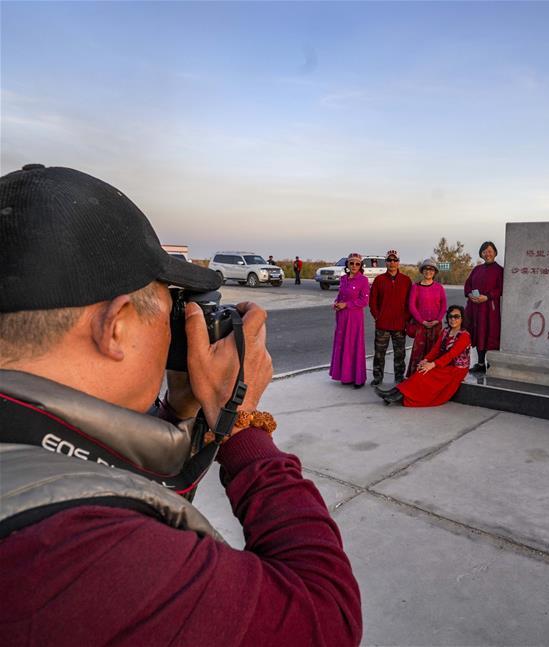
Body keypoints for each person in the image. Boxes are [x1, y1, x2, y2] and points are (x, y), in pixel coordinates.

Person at [0, 165, 362, 645]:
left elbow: (104, 483)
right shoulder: (83, 555)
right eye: (169, 308)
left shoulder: (32, 453)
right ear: (117, 325)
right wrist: (243, 421)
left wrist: (181, 411)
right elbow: (325, 616)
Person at [378, 305, 471, 407]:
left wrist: (432, 364)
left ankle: (396, 395)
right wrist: (425, 360)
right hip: (444, 363)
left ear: (462, 318)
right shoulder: (445, 331)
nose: (453, 319)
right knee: (421, 370)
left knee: (425, 373)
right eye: (450, 316)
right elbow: (436, 349)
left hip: (456, 368)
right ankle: (393, 393)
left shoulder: (464, 336)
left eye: (456, 316)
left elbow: (451, 354)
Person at [369, 249, 412, 386]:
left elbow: (409, 302)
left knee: (399, 354)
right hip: (383, 324)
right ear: (386, 262)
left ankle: (399, 377)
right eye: (389, 260)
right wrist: (378, 316)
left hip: (399, 325)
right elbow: (372, 302)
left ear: (399, 262)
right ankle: (377, 377)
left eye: (395, 260)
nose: (392, 263)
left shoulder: (406, 280)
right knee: (379, 353)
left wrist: (406, 318)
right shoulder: (379, 280)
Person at [329, 252, 369, 388]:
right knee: (342, 344)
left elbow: (364, 300)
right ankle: (345, 376)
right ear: (347, 264)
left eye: (357, 263)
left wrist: (347, 305)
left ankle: (358, 378)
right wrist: (336, 303)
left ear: (360, 266)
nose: (354, 266)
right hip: (342, 317)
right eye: (351, 263)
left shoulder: (363, 280)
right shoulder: (343, 279)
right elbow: (340, 295)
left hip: (354, 317)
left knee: (353, 345)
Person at [464, 241, 503, 372]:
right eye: (484, 251)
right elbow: (468, 284)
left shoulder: (500, 271)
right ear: (481, 254)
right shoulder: (477, 269)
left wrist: (487, 296)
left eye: (490, 251)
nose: (487, 254)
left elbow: (501, 289)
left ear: (495, 253)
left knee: (490, 334)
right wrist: (470, 295)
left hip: (490, 309)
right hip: (475, 308)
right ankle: (480, 364)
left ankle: (491, 364)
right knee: (478, 333)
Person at [406, 258, 447, 378]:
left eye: (431, 269)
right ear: (422, 271)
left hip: (436, 326)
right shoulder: (416, 287)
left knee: (434, 352)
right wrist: (422, 321)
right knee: (419, 352)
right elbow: (411, 306)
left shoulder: (439, 287)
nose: (428, 271)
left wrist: (437, 320)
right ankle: (415, 377)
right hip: (421, 325)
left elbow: (443, 305)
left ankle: (432, 377)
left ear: (434, 272)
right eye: (426, 269)